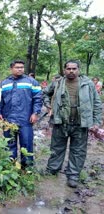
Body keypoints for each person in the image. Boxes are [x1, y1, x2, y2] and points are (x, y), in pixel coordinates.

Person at [43, 60, 102, 188]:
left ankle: (73, 175)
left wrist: (96, 122)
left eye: (74, 68)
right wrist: (48, 106)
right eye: (68, 68)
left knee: (78, 150)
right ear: (64, 70)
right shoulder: (58, 83)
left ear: (78, 70)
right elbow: (45, 93)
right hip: (61, 121)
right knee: (57, 148)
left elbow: (97, 103)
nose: (71, 71)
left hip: (81, 123)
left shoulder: (88, 84)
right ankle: (52, 169)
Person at [0, 60, 42, 168]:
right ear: (11, 69)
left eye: (22, 67)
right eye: (17, 67)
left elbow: (38, 99)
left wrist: (35, 113)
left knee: (26, 144)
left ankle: (27, 167)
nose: (20, 69)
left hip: (25, 119)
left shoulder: (31, 82)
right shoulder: (4, 83)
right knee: (9, 144)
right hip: (8, 119)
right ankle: (10, 166)